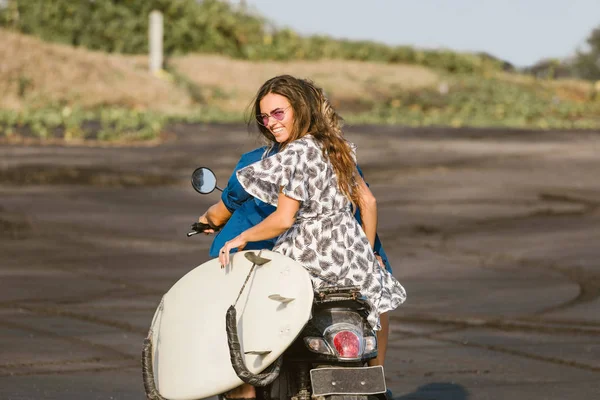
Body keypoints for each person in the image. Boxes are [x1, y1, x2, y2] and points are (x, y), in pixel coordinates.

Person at [217, 75, 406, 400]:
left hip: (308, 260)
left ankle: (246, 390)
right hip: (349, 266)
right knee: (376, 306)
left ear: (300, 109)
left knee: (247, 308)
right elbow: (369, 203)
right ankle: (378, 379)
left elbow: (283, 218)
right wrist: (364, 249)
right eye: (264, 117)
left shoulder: (295, 154)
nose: (269, 123)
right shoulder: (336, 147)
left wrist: (240, 239)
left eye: (278, 113)